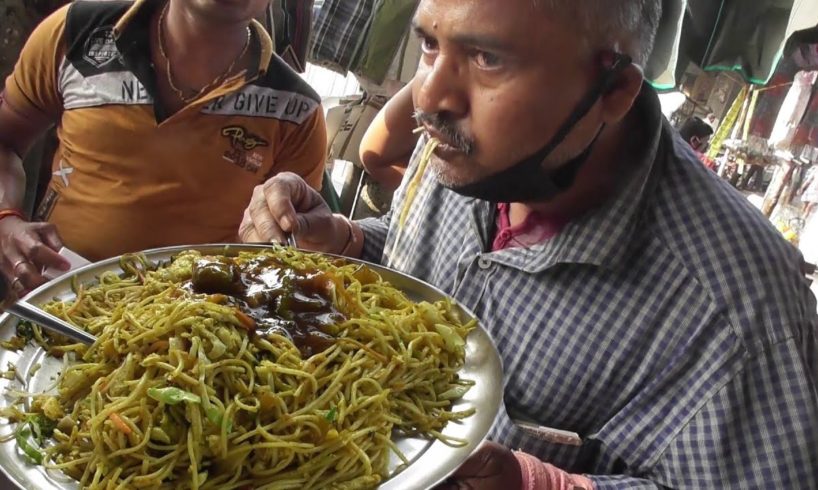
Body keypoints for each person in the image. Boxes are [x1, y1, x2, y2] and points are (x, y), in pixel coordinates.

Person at [240, 0, 818, 488]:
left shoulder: (740, 317)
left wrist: (539, 481)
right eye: (430, 46)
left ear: (614, 91)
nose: (429, 96)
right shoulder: (467, 146)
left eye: (488, 58)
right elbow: (411, 250)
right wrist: (342, 240)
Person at [0, 0, 327, 296]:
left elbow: (287, 259)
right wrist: (6, 218)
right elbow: (5, 141)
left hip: (191, 343)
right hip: (48, 310)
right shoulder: (75, 32)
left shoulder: (297, 111)